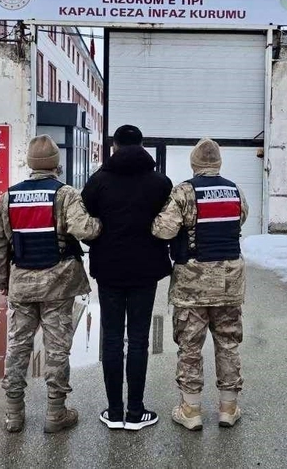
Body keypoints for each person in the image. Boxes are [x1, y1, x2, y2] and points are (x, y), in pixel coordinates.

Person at [0, 134, 101, 434]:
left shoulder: (9, 197)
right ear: (55, 164)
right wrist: (99, 224)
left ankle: (14, 414)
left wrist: (3, 280)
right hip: (58, 284)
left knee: (17, 347)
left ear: (30, 163)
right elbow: (85, 230)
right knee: (57, 349)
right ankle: (55, 413)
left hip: (22, 283)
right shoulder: (65, 194)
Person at [151, 137, 248, 431]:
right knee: (228, 343)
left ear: (194, 163)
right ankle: (228, 408)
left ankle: (191, 410)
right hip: (229, 281)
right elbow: (241, 218)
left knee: (190, 347)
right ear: (219, 163)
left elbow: (164, 230)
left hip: (192, 283)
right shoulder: (235, 190)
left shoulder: (184, 192)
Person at [81, 125, 173, 431]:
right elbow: (170, 223)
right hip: (146, 271)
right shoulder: (160, 182)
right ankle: (135, 412)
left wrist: (97, 242)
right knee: (138, 339)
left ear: (114, 146)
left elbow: (84, 222)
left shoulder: (98, 181)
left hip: (108, 270)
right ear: (142, 145)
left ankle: (114, 411)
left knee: (111, 339)